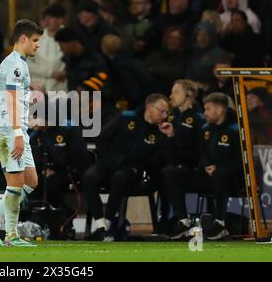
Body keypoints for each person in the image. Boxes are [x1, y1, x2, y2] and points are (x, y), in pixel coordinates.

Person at [0, 19, 43, 247]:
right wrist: (17, 132)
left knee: (31, 180)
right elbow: (13, 100)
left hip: (10, 128)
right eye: (35, 41)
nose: (37, 45)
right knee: (15, 186)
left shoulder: (16, 63)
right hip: (9, 130)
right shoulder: (15, 64)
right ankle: (11, 235)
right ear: (23, 39)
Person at [83, 93, 169, 241]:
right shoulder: (125, 117)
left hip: (133, 169)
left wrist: (167, 137)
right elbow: (102, 138)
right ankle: (100, 224)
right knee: (89, 177)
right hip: (108, 163)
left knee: (120, 177)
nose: (165, 115)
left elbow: (159, 159)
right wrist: (107, 159)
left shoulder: (159, 131)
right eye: (162, 111)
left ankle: (109, 223)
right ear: (150, 107)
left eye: (167, 112)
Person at [165, 93, 243, 240]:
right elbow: (202, 154)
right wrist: (207, 165)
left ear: (220, 110)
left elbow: (241, 161)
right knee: (172, 173)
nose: (204, 113)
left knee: (220, 174)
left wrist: (218, 167)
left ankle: (220, 222)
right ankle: (183, 221)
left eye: (208, 109)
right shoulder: (206, 128)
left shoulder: (236, 130)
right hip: (208, 176)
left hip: (232, 179)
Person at [158, 80, 206, 230]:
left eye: (176, 92)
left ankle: (182, 220)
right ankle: (164, 221)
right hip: (173, 164)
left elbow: (200, 150)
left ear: (189, 94)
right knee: (162, 171)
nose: (171, 96)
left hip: (195, 169)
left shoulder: (199, 119)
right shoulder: (171, 118)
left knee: (170, 173)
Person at [27, 4, 68, 93]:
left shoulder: (69, 39)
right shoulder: (35, 39)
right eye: (45, 18)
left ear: (60, 20)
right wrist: (50, 72)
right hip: (37, 89)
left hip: (60, 89)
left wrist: (62, 74)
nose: (47, 21)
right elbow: (27, 64)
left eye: (51, 18)